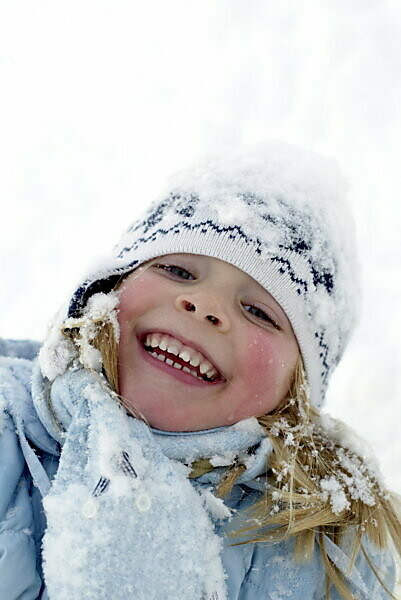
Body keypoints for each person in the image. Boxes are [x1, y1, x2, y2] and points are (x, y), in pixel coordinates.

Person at [0, 141, 399, 600]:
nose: (205, 304)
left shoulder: (327, 547)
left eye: (258, 311)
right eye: (177, 270)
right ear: (108, 287)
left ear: (296, 391)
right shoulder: (10, 430)